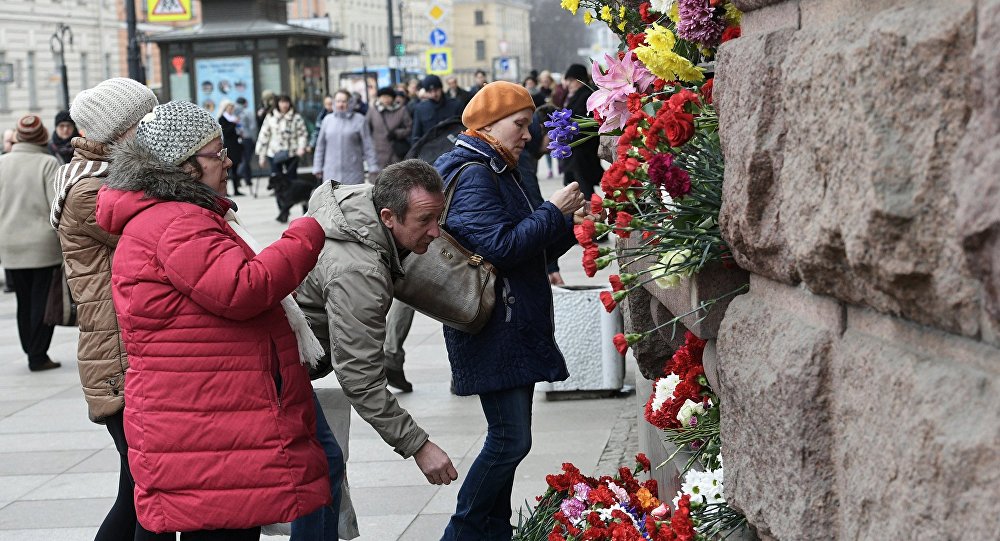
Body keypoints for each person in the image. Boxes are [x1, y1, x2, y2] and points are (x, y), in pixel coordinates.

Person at [96, 100, 330, 537]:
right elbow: (245, 288)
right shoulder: (178, 222)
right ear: (185, 167)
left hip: (208, 410)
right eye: (216, 153)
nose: (228, 161)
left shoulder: (174, 215)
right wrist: (308, 231)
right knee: (223, 527)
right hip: (207, 415)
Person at [433, 81, 586, 540]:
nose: (528, 134)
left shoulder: (501, 166)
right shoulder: (475, 171)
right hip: (493, 326)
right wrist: (553, 213)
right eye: (520, 124)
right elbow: (499, 246)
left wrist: (568, 223)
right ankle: (461, 533)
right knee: (510, 440)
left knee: (509, 440)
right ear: (489, 123)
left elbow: (529, 241)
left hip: (511, 323)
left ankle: (492, 533)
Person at [295, 159, 460, 489]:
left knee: (322, 466)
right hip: (277, 370)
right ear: (387, 217)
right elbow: (359, 375)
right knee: (321, 469)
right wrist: (419, 445)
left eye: (437, 217)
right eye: (424, 220)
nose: (435, 231)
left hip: (284, 360)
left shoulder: (359, 204)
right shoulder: (360, 272)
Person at [51, 77, 168, 540]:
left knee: (138, 489)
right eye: (147, 122)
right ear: (122, 132)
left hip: (127, 350)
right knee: (146, 494)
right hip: (118, 358)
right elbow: (160, 232)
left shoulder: (107, 179)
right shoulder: (89, 191)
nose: (155, 130)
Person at [0, 114, 62, 372]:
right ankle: (38, 354)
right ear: (42, 137)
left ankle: (29, 349)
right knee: (43, 301)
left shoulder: (2, 163)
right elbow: (56, 206)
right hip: (43, 246)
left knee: (23, 301)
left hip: (9, 244)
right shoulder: (48, 163)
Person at [312, 89, 379, 185]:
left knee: (353, 199)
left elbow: (368, 145)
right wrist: (317, 166)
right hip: (331, 172)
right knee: (332, 199)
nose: (340, 104)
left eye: (344, 101)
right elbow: (320, 146)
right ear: (334, 103)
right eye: (338, 101)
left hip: (353, 171)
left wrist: (372, 165)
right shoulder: (327, 120)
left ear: (350, 102)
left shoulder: (360, 120)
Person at [561, 63, 604, 200]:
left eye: (571, 80)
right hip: (577, 150)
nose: (568, 84)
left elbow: (583, 122)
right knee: (580, 186)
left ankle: (593, 213)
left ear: (578, 80)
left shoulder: (585, 95)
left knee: (584, 188)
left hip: (582, 151)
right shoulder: (576, 95)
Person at [367, 86, 413, 170]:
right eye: (383, 97)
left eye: (388, 97)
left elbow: (409, 128)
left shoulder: (401, 110)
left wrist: (397, 133)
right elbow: (367, 130)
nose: (386, 99)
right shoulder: (373, 111)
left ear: (393, 98)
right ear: (379, 98)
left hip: (395, 153)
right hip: (378, 153)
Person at [411, 75, 460, 144]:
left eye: (436, 90)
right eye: (430, 91)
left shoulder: (455, 105)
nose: (434, 94)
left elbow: (462, 131)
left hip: (451, 148)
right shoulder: (420, 109)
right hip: (430, 150)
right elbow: (416, 136)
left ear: (441, 88)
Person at [217, 99, 245, 196]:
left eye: (232, 107)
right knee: (227, 170)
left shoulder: (233, 117)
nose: (231, 109)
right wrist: (234, 124)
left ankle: (237, 189)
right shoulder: (222, 118)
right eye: (229, 107)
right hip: (228, 145)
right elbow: (226, 132)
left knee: (236, 168)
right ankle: (226, 191)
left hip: (236, 145)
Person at [234, 97, 256, 189]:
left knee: (243, 159)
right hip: (247, 137)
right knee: (246, 159)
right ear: (245, 103)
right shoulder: (247, 112)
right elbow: (253, 126)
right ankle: (238, 175)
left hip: (238, 138)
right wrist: (254, 138)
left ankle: (247, 179)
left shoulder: (233, 112)